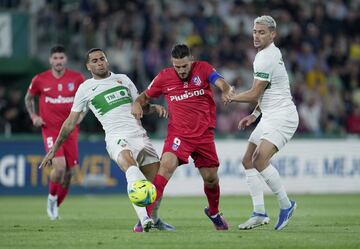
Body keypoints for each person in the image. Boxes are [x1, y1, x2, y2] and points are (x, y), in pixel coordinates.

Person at [39, 48, 174, 232]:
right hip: (116, 137)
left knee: (153, 185)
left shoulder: (123, 80)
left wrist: (154, 108)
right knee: (130, 167)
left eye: (102, 58)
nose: (99, 62)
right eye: (94, 60)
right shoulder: (85, 88)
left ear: (107, 60)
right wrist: (55, 148)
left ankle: (155, 218)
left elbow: (139, 106)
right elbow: (70, 123)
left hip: (139, 135)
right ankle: (144, 221)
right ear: (88, 66)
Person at [132, 44, 233, 230]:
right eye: (177, 66)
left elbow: (220, 81)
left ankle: (214, 212)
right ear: (172, 63)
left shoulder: (203, 68)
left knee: (211, 179)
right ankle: (145, 218)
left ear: (191, 60)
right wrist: (138, 103)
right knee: (165, 167)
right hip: (179, 135)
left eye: (184, 66)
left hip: (204, 136)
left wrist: (225, 89)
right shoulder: (164, 77)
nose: (181, 70)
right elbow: (144, 97)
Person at [229, 16, 298, 231]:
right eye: (255, 31)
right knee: (248, 160)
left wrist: (232, 97)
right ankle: (259, 212)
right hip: (269, 115)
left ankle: (286, 205)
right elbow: (266, 92)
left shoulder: (267, 57)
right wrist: (255, 114)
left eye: (262, 32)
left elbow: (255, 92)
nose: (256, 36)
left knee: (259, 159)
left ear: (272, 34)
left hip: (283, 116)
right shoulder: (263, 55)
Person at [25, 45, 86, 220]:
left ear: (65, 59)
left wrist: (82, 114)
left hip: (71, 130)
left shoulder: (77, 78)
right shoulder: (40, 79)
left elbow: (87, 99)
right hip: (51, 130)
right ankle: (51, 199)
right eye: (55, 58)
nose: (58, 61)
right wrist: (33, 116)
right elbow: (28, 98)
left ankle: (55, 205)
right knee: (59, 167)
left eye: (61, 58)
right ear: (50, 60)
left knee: (69, 175)